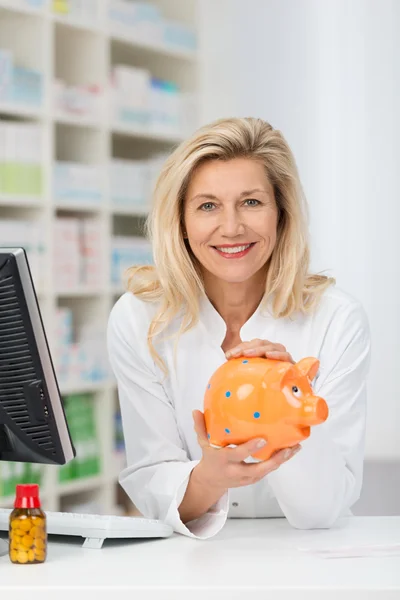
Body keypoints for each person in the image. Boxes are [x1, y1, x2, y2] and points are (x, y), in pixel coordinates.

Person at [107, 117, 371, 539]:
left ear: (281, 214)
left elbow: (322, 510)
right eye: (208, 205)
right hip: (192, 560)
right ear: (181, 221)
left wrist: (286, 412)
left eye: (251, 202)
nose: (231, 228)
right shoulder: (141, 319)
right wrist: (210, 478)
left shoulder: (336, 320)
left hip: (309, 557)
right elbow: (152, 482)